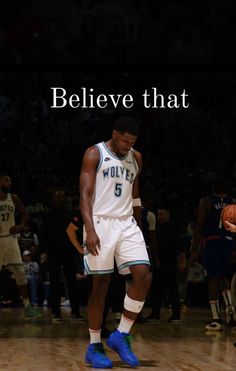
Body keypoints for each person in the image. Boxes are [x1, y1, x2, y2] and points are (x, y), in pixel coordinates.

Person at [80, 116, 152, 368]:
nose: (127, 146)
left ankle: (121, 335)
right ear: (114, 134)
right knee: (100, 284)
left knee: (143, 275)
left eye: (132, 142)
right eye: (124, 141)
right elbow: (85, 194)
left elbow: (135, 197)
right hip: (99, 222)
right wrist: (89, 229)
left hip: (126, 223)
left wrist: (139, 228)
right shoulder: (94, 153)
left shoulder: (137, 158)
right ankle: (94, 346)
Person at [190, 177, 236, 331]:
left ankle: (216, 319)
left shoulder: (206, 201)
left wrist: (194, 250)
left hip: (212, 241)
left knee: (212, 279)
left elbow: (199, 225)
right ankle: (230, 309)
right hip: (229, 241)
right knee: (224, 277)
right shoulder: (233, 201)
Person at [0, 174, 41, 318]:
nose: (9, 183)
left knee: (20, 273)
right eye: (6, 180)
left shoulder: (14, 198)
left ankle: (28, 306)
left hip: (10, 239)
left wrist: (20, 226)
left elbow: (25, 213)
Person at [40, 189, 83, 323]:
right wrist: (44, 252)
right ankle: (55, 313)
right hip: (53, 254)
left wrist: (79, 251)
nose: (59, 199)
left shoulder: (72, 214)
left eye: (62, 196)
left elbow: (78, 234)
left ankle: (75, 312)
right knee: (54, 283)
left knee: (72, 283)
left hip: (69, 253)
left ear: (65, 199)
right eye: (57, 196)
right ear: (53, 199)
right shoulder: (48, 216)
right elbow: (43, 235)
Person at [146, 206, 186, 323]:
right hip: (158, 263)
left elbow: (181, 248)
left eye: (161, 214)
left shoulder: (174, 228)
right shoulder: (155, 228)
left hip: (170, 262)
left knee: (173, 289)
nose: (159, 217)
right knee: (156, 289)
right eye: (158, 214)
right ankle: (155, 314)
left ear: (168, 214)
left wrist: (182, 262)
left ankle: (176, 315)